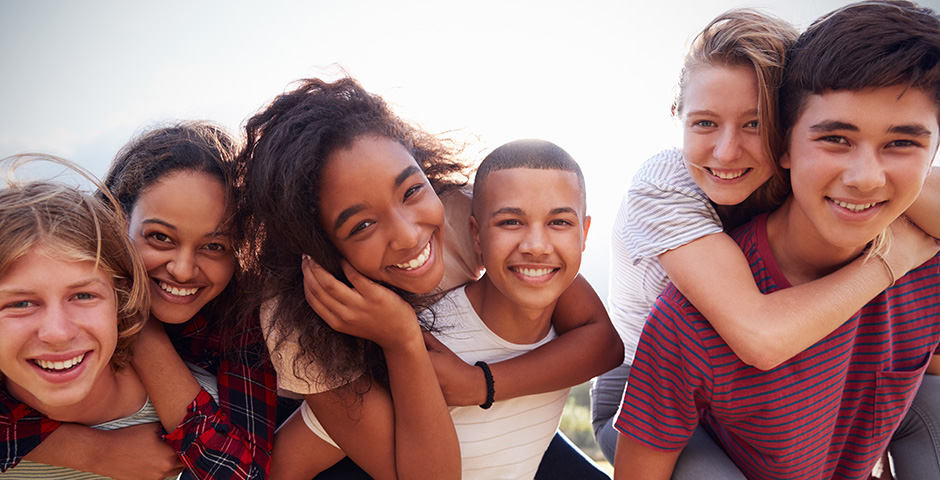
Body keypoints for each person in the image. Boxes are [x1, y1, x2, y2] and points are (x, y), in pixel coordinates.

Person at [594, 7, 940, 476]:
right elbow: (758, 336)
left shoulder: (813, 175)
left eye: (754, 124)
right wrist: (890, 259)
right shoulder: (663, 188)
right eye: (704, 123)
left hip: (788, 373)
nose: (727, 151)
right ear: (677, 116)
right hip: (645, 381)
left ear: (780, 132)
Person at [238, 77, 620, 479]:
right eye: (363, 224)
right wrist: (402, 337)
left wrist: (481, 384)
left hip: (480, 415)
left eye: (411, 190)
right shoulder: (302, 319)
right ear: (321, 245)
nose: (407, 234)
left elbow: (599, 338)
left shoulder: (471, 217)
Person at [0, 123, 279, 479]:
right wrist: (95, 452)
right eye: (160, 237)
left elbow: (240, 471)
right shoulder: (56, 303)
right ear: (116, 221)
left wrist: (141, 329)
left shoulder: (242, 319)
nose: (182, 270)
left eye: (214, 246)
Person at [0, 155, 214, 479]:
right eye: (20, 304)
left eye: (83, 296)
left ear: (122, 300)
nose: (57, 332)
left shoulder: (208, 415)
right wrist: (94, 452)